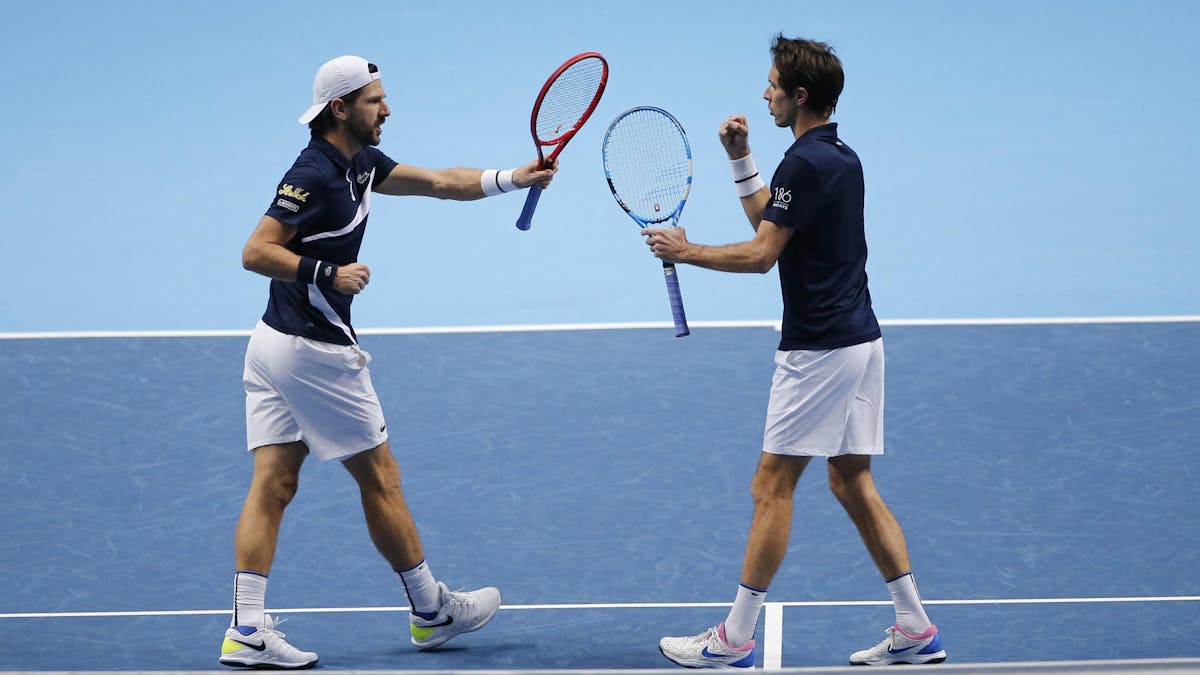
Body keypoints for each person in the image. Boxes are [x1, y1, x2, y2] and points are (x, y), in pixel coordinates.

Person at [218, 55, 556, 670]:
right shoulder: (314, 175)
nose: (388, 109)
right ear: (340, 109)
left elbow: (437, 182)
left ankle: (245, 629)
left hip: (271, 345)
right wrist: (328, 271)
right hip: (314, 352)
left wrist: (513, 177)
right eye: (376, 100)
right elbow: (254, 250)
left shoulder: (360, 164)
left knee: (274, 483)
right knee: (382, 478)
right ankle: (431, 611)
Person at [649, 36, 946, 668]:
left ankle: (733, 639)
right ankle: (916, 628)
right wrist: (741, 159)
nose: (765, 93)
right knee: (851, 479)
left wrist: (685, 250)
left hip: (819, 351)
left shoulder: (804, 164)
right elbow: (774, 222)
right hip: (862, 340)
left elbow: (760, 255)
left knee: (770, 483)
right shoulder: (837, 157)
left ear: (799, 94)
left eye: (772, 84)